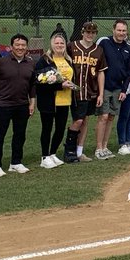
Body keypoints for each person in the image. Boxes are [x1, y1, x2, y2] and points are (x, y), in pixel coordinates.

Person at [0, 34, 36, 176]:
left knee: (20, 134)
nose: (20, 47)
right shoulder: (2, 61)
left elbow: (32, 85)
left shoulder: (30, 63)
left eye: (23, 45)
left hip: (22, 104)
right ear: (11, 47)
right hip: (4, 103)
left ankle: (16, 162)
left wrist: (32, 102)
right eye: (17, 45)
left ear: (26, 47)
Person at [33, 31, 75, 169]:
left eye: (62, 43)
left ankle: (52, 153)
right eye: (56, 43)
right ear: (52, 44)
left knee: (60, 129)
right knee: (47, 128)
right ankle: (44, 156)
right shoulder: (45, 60)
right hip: (49, 101)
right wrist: (59, 85)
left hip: (65, 100)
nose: (59, 45)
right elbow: (39, 81)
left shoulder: (68, 60)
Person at [64, 22, 105, 163]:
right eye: (88, 32)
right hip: (75, 91)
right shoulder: (72, 46)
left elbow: (100, 72)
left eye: (93, 32)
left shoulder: (98, 50)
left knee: (85, 120)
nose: (90, 35)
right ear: (82, 32)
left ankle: (79, 151)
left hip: (91, 90)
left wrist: (100, 93)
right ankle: (69, 149)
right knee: (78, 120)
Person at [94, 20, 130, 160]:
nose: (121, 33)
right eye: (119, 30)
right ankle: (98, 148)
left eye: (124, 31)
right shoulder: (104, 42)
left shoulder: (128, 48)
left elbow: (129, 71)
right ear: (113, 30)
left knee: (111, 117)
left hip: (118, 88)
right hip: (104, 86)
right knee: (103, 116)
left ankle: (105, 146)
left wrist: (124, 90)